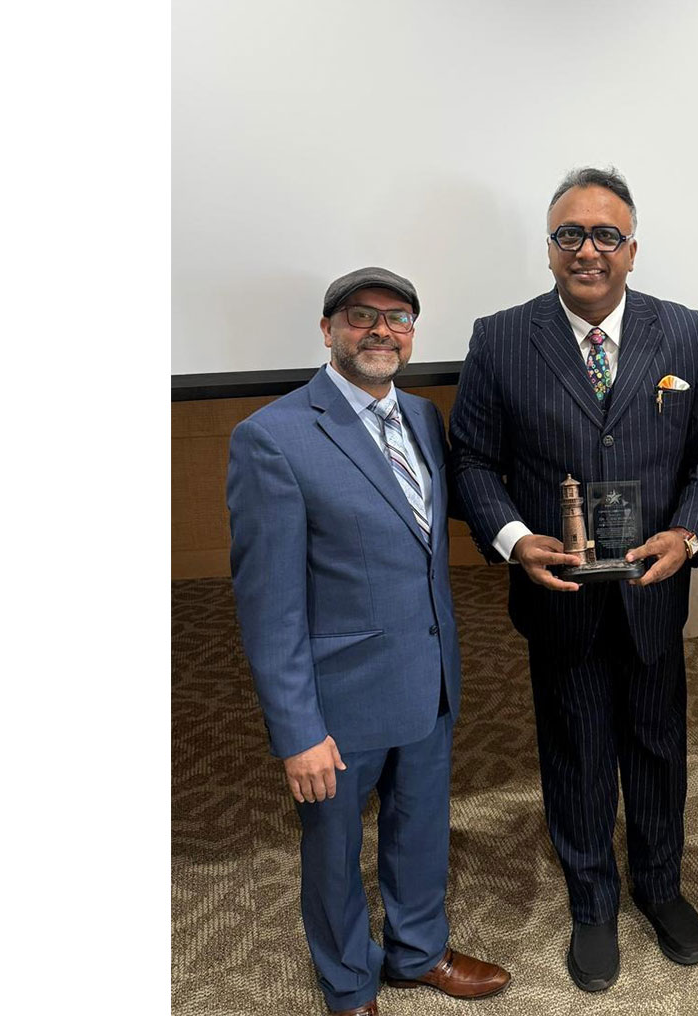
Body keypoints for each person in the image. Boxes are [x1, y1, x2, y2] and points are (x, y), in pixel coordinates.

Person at [450, 167, 698, 993]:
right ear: (548, 251)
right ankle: (592, 901)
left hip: (652, 591)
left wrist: (689, 532)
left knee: (657, 743)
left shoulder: (684, 334)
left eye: (606, 235)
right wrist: (510, 538)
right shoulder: (501, 337)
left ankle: (660, 886)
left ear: (633, 250)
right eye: (569, 235)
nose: (588, 250)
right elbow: (473, 458)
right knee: (574, 750)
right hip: (561, 595)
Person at [226, 267, 510, 1016]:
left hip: (428, 678)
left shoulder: (422, 417)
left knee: (422, 829)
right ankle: (349, 983)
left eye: (400, 318)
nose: (382, 330)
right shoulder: (272, 438)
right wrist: (298, 731)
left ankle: (417, 953)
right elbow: (270, 607)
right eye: (362, 316)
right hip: (337, 702)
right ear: (328, 330)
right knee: (332, 855)